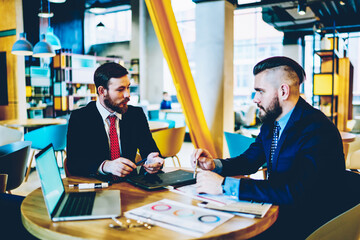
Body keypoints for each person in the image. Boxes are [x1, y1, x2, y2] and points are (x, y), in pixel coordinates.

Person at [190, 56, 355, 239]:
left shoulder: (317, 129)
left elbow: (297, 191)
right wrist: (215, 165)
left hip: (307, 221)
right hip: (279, 207)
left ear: (283, 91)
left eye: (260, 91)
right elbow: (250, 160)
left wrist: (224, 185)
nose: (255, 99)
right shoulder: (271, 122)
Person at [67, 62, 164, 181]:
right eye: (120, 89)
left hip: (131, 187)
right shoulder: (80, 118)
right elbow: (74, 163)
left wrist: (152, 160)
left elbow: (149, 149)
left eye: (128, 87)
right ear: (102, 91)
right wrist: (105, 166)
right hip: (97, 188)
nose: (128, 95)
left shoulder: (135, 114)